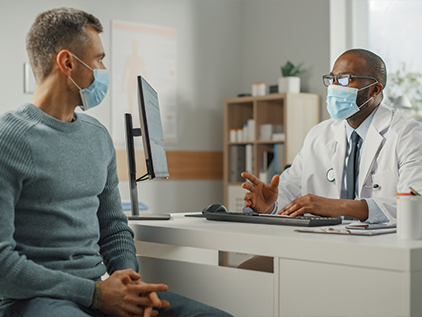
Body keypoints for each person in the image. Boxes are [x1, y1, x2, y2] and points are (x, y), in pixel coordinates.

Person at [0, 8, 232, 317]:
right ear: (67, 62)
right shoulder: (10, 139)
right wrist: (95, 294)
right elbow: (2, 263)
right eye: (99, 59)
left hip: (100, 293)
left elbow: (113, 228)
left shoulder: (97, 136)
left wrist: (129, 284)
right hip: (36, 299)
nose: (104, 68)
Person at [239, 49, 422, 271]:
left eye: (345, 79)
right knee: (248, 271)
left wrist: (341, 207)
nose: (335, 87)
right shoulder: (319, 134)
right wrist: (271, 205)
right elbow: (290, 190)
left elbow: (415, 207)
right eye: (332, 79)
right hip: (319, 246)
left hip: (381, 253)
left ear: (375, 89)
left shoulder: (408, 135)